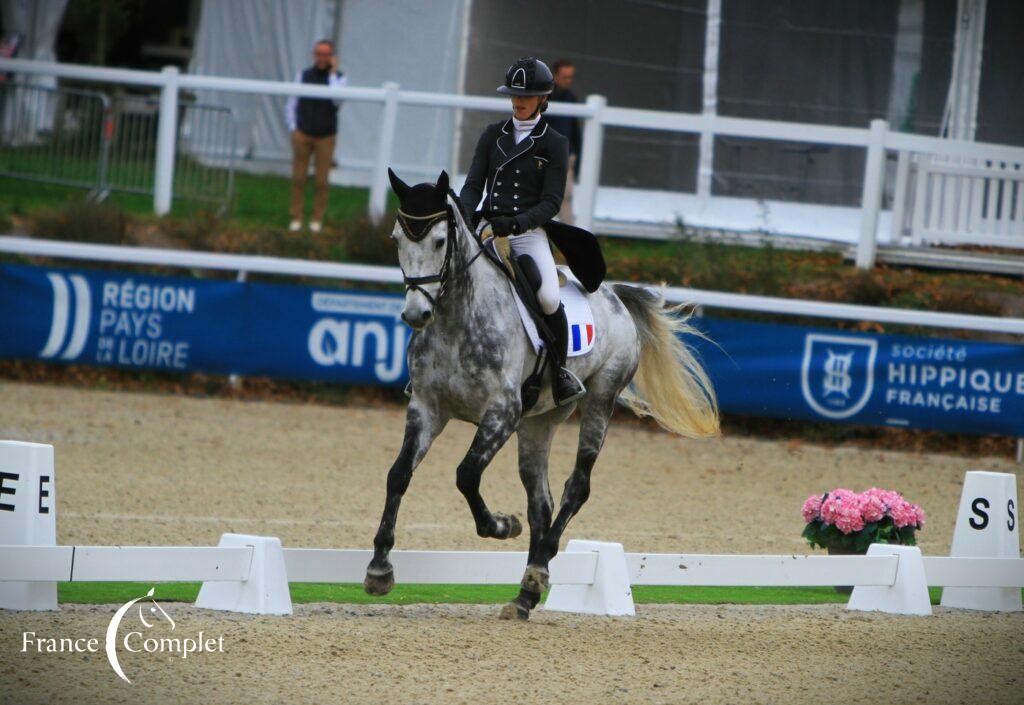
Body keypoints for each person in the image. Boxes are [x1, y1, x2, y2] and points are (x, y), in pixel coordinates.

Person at [459, 57, 586, 407]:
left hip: (527, 232)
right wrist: (464, 217)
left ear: (542, 98)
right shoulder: (492, 135)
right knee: (450, 277)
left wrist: (515, 224)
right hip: (487, 229)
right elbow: (472, 186)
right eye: (514, 95)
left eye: (526, 96)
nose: (519, 101)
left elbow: (551, 203)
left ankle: (560, 372)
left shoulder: (555, 143)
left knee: (547, 297)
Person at [285, 39, 347, 233]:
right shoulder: (303, 75)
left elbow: (337, 100)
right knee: (299, 177)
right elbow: (292, 102)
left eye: (326, 54)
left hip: (325, 135)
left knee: (321, 180)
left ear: (332, 57)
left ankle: (316, 219)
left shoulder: (340, 78)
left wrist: (332, 74)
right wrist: (293, 127)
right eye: (319, 53)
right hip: (302, 132)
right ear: (314, 55)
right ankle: (296, 217)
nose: (322, 58)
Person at [546, 59, 582, 225]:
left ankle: (569, 236)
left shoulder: (571, 98)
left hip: (567, 155)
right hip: (545, 154)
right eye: (565, 76)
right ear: (555, 75)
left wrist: (577, 159)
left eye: (571, 77)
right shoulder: (544, 97)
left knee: (566, 197)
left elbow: (575, 131)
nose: (568, 80)